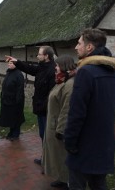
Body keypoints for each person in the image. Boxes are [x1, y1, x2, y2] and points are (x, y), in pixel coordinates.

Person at [64, 28, 115, 190]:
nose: (76, 47)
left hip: (84, 147)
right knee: (99, 185)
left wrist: (70, 141)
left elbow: (77, 113)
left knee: (77, 186)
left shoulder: (86, 73)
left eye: (79, 43)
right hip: (104, 145)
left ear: (89, 47)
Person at [5, 45, 56, 164]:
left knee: (47, 136)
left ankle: (49, 161)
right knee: (42, 134)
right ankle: (45, 158)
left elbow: (52, 94)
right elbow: (29, 68)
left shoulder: (51, 70)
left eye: (39, 54)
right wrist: (16, 61)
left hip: (46, 110)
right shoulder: (42, 67)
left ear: (46, 56)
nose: (37, 56)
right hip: (40, 109)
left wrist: (43, 106)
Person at [42, 55, 76, 189]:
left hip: (58, 128)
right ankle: (61, 178)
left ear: (63, 66)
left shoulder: (70, 84)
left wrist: (60, 131)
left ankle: (67, 181)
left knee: (62, 156)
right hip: (52, 124)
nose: (55, 68)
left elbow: (66, 110)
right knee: (56, 156)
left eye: (57, 65)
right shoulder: (62, 80)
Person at [0, 61, 25, 141]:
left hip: (15, 101)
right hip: (7, 100)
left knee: (16, 118)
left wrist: (18, 101)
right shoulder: (9, 73)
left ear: (15, 65)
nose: (9, 64)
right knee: (10, 118)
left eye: (11, 63)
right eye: (9, 63)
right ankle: (11, 132)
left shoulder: (18, 74)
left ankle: (16, 133)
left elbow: (20, 89)